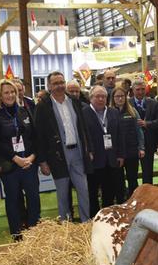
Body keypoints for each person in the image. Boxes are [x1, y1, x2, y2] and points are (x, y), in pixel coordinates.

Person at [35, 71, 93, 222]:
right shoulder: (43, 107)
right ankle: (65, 225)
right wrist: (42, 161)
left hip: (78, 153)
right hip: (58, 156)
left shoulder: (75, 101)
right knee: (62, 193)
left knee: (84, 190)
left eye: (61, 82)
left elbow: (84, 128)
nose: (59, 86)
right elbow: (39, 136)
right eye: (55, 83)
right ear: (49, 86)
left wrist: (89, 149)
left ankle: (86, 222)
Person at [0, 80, 40, 239]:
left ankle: (35, 231)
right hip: (10, 165)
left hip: (29, 163)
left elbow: (34, 137)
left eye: (12, 92)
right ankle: (17, 234)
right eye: (6, 92)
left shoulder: (24, 110)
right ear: (0, 95)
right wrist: (16, 158)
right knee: (13, 200)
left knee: (33, 197)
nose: (10, 95)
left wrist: (32, 157)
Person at [84, 86, 124, 215]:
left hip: (111, 159)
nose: (101, 99)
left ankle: (108, 216)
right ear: (91, 98)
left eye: (104, 96)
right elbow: (83, 135)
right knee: (92, 191)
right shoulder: (83, 113)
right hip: (94, 159)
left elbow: (119, 135)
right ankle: (94, 217)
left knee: (109, 190)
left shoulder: (114, 112)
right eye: (97, 96)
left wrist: (120, 155)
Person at [111, 86, 144, 200]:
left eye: (122, 96)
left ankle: (134, 202)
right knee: (118, 181)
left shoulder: (132, 111)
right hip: (117, 153)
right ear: (113, 98)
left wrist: (141, 148)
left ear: (126, 97)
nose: (120, 99)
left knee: (132, 179)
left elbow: (139, 131)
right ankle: (121, 202)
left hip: (132, 151)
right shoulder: (109, 113)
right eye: (117, 96)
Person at [130, 80, 158, 185]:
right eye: (137, 89)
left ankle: (148, 195)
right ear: (133, 90)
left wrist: (147, 123)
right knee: (132, 173)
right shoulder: (127, 103)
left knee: (148, 172)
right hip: (132, 142)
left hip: (149, 142)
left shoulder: (153, 103)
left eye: (142, 89)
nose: (140, 92)